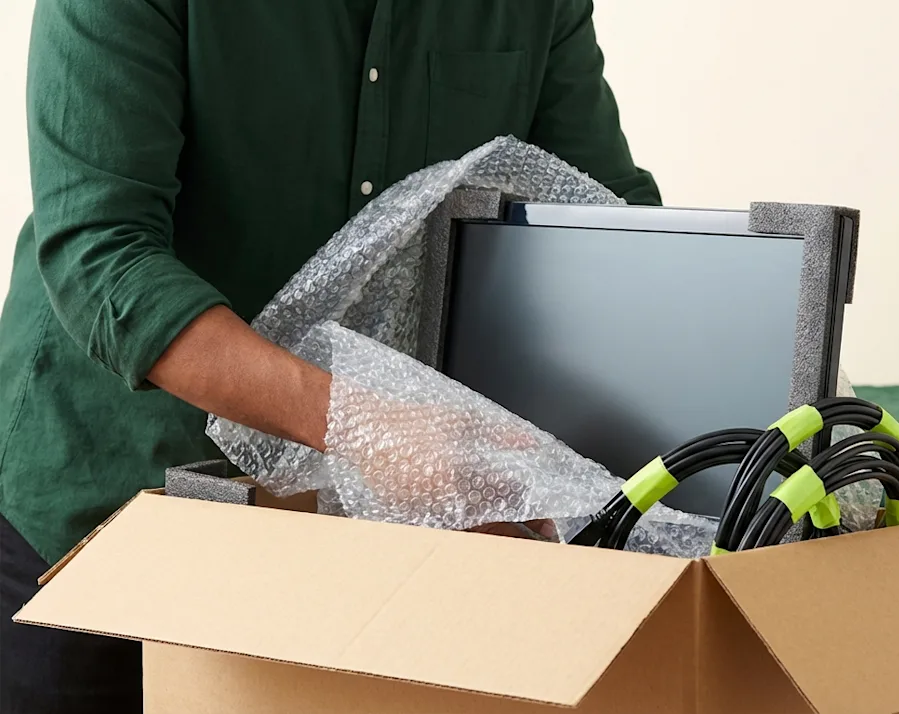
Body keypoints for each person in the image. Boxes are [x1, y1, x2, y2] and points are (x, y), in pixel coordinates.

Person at [0, 1, 660, 711]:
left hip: (360, 544)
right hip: (105, 503)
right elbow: (103, 255)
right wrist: (365, 430)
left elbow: (603, 222)